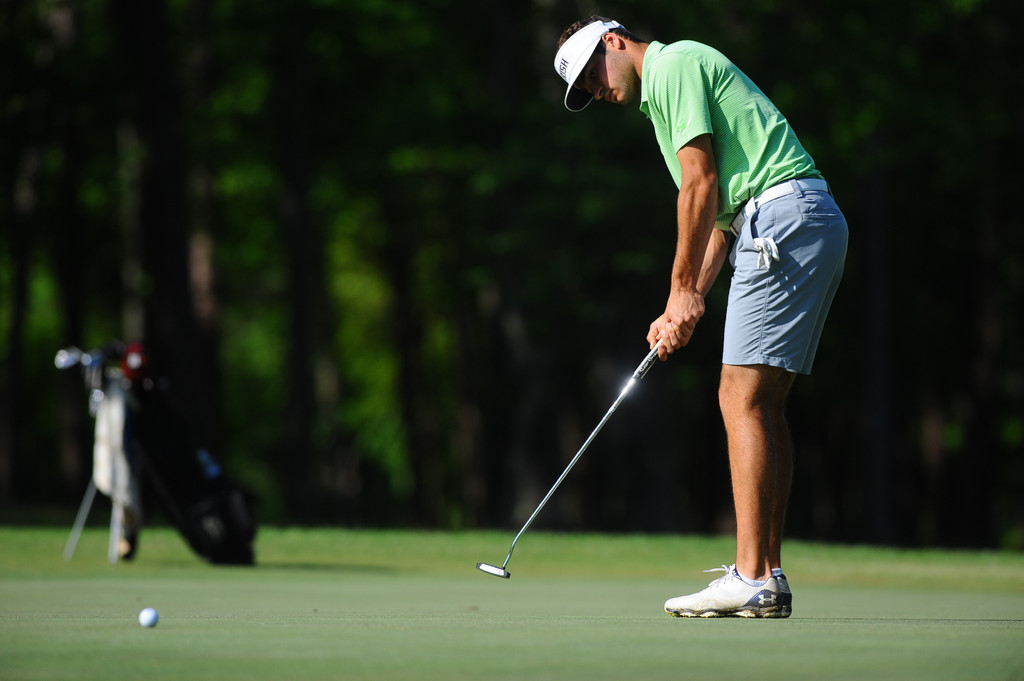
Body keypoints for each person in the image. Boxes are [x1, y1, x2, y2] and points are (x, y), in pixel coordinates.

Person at [554, 17, 848, 618]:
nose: (595, 89)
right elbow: (718, 216)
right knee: (763, 403)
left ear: (614, 41)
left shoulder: (674, 65)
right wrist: (681, 306)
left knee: (737, 398)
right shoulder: (662, 100)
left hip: (782, 220)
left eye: (592, 73)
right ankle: (767, 574)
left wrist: (682, 287)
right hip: (799, 219)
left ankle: (751, 575)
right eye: (583, 90)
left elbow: (699, 183)